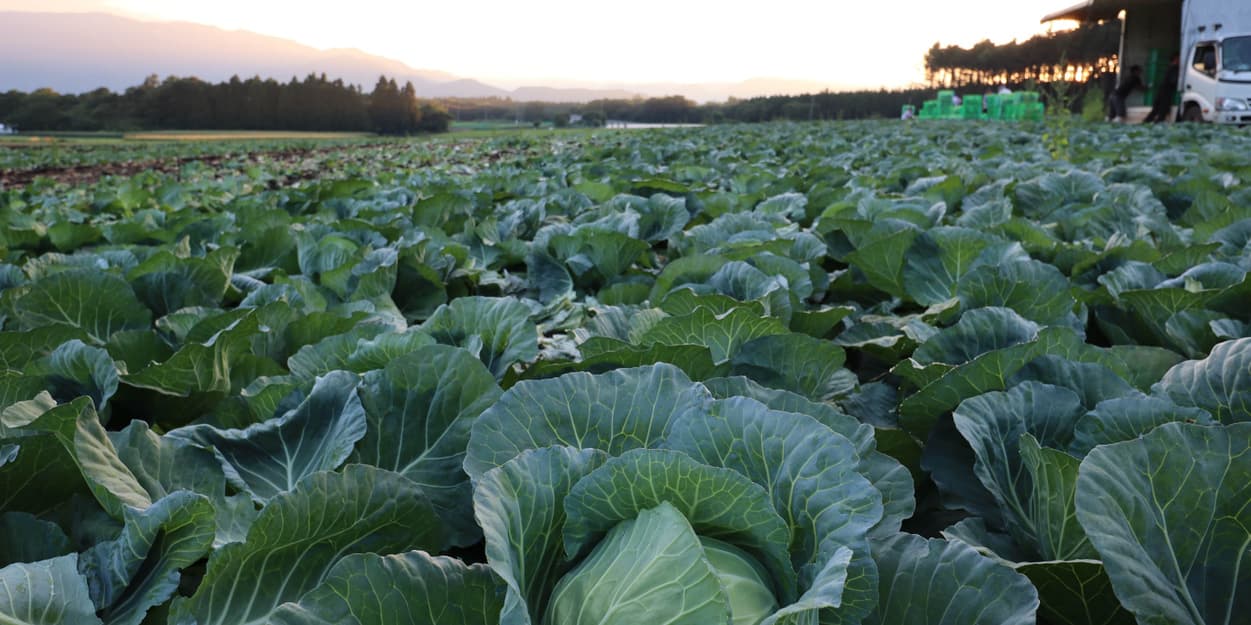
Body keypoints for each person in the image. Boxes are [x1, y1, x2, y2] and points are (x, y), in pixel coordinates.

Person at [1145, 54, 1180, 123]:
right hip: (1166, 92)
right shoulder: (1174, 68)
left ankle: (1146, 123)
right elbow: (1173, 81)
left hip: (1162, 91)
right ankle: (1155, 124)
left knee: (1156, 110)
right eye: (1178, 59)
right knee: (1162, 110)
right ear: (1175, 59)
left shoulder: (1169, 67)